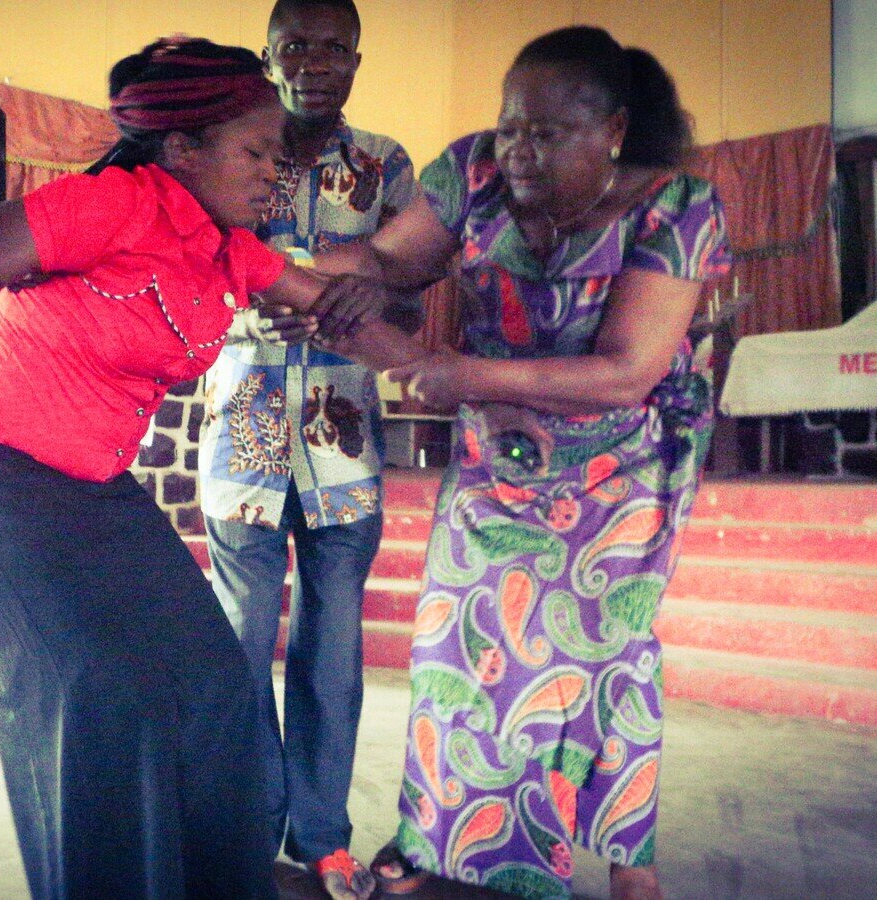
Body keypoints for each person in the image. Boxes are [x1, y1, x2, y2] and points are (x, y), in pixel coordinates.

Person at [0, 36, 396, 900]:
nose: (272, 173)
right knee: (101, 711)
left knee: (215, 690)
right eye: (253, 152)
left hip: (95, 492)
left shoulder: (228, 250)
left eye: (279, 156)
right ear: (182, 149)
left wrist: (385, 312)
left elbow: (341, 310)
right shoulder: (111, 205)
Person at [310, 25, 732, 900]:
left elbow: (626, 369)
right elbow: (390, 260)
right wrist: (307, 270)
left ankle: (629, 863)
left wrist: (465, 372)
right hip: (497, 450)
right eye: (508, 126)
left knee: (599, 652)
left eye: (545, 133)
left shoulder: (676, 205)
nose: (517, 149)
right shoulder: (472, 173)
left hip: (624, 465)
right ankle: (450, 847)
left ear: (612, 130)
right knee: (456, 643)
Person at [195, 1, 414, 897]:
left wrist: (365, 297)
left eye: (333, 47)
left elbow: (412, 292)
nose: (314, 62)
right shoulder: (230, 151)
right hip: (242, 431)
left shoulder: (387, 166)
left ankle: (321, 836)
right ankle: (242, 834)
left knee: (332, 653)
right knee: (239, 648)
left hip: (344, 440)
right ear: (269, 56)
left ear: (357, 60)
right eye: (296, 46)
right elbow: (189, 265)